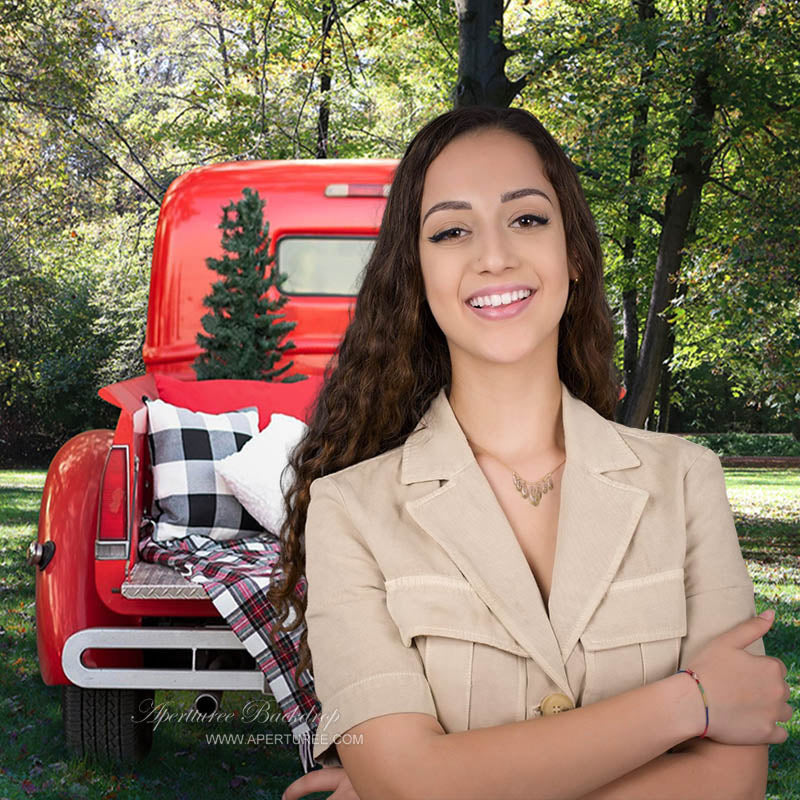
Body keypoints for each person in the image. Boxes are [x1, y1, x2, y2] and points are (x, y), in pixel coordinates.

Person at [268, 105, 792, 800]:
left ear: (572, 252)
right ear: (416, 276)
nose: (494, 255)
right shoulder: (349, 511)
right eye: (452, 230)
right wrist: (689, 703)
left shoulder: (687, 481)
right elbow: (405, 784)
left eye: (527, 219)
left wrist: (439, 782)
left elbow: (732, 783)